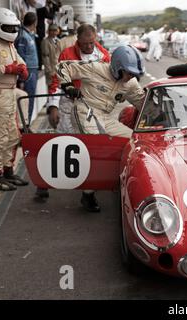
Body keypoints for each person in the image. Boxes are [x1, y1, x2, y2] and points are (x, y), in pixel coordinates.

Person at [53, 46, 145, 211]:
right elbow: (62, 66)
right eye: (129, 72)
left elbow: (142, 103)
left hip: (105, 117)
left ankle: (121, 179)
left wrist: (161, 110)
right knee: (96, 148)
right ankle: (88, 194)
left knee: (134, 140)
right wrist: (67, 86)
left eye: (134, 73)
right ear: (117, 67)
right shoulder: (95, 68)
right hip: (84, 110)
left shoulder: (131, 83)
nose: (131, 76)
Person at [36, 24, 111, 207]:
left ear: (96, 39)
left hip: (92, 107)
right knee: (61, 145)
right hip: (68, 105)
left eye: (91, 42)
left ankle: (88, 194)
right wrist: (52, 107)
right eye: (85, 43)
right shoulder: (67, 54)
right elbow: (56, 81)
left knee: (92, 148)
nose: (88, 46)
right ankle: (43, 182)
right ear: (78, 40)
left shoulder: (104, 56)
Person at [0, 8, 29, 191]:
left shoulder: (9, 44)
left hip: (9, 92)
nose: (13, 32)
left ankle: (7, 171)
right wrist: (7, 70)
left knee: (12, 135)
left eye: (15, 28)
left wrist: (22, 68)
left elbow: (19, 61)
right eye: (8, 28)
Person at [15, 11, 39, 121]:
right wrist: (21, 79)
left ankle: (27, 123)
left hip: (32, 71)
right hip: (28, 72)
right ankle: (25, 125)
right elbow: (20, 57)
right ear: (34, 22)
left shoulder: (29, 35)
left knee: (31, 99)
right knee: (27, 99)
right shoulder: (22, 36)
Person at [40, 23, 59, 89]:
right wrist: (49, 71)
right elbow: (45, 57)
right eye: (52, 30)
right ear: (48, 31)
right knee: (52, 91)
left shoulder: (58, 41)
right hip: (51, 71)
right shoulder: (45, 41)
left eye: (55, 30)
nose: (54, 32)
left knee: (57, 92)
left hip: (58, 70)